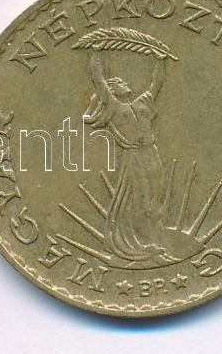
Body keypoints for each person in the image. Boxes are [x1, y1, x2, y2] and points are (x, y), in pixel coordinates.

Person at [83, 51, 202, 265]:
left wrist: (160, 59)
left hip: (151, 153)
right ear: (111, 89)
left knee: (156, 196)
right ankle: (139, 243)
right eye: (119, 82)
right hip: (134, 157)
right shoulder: (112, 105)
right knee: (140, 198)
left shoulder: (142, 103)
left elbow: (156, 83)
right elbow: (97, 78)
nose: (124, 82)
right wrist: (96, 51)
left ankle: (154, 237)